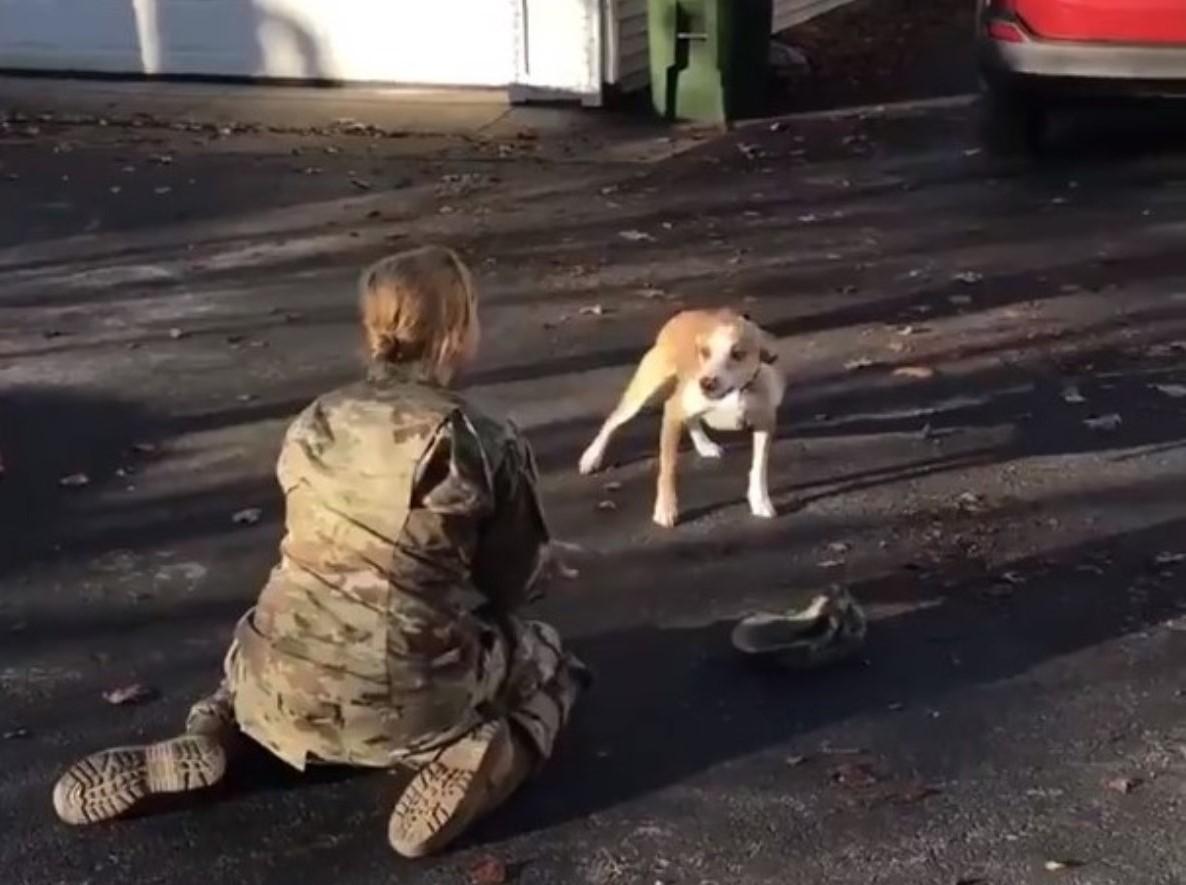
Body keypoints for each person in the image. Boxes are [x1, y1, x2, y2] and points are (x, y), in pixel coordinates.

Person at [51, 245, 590, 858]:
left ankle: (215, 736)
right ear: (458, 333)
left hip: (277, 677)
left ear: (371, 330)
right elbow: (508, 586)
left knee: (254, 659)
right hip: (408, 697)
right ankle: (486, 754)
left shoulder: (316, 418)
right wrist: (542, 565)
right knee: (548, 657)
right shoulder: (480, 439)